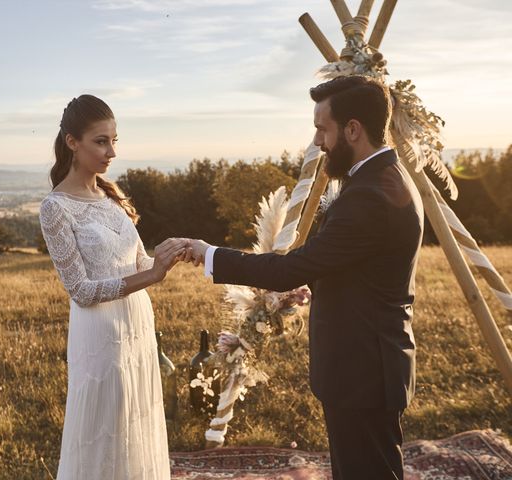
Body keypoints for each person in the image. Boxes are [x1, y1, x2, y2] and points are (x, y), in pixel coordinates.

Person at [181, 76, 424, 480]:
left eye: (322, 129)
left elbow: (289, 268)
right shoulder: (382, 175)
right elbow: (353, 263)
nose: (317, 141)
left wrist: (210, 254)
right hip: (370, 363)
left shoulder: (369, 194)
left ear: (352, 129)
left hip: (363, 370)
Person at [38, 94, 184, 479]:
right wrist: (152, 276)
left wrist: (173, 254)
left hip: (137, 322)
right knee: (104, 429)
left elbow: (139, 264)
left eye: (114, 140)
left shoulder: (109, 195)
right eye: (101, 141)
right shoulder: (55, 208)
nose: (111, 151)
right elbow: (82, 291)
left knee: (136, 421)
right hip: (100, 333)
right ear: (72, 142)